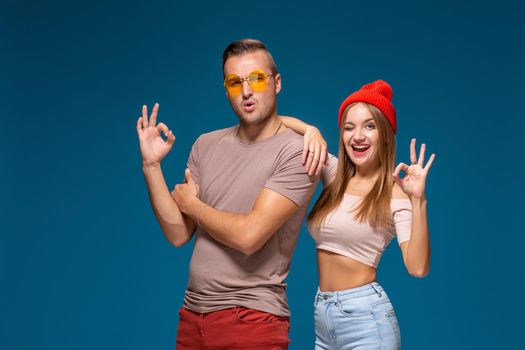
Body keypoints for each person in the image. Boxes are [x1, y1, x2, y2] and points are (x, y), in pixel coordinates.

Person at [136, 39, 326, 350]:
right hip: (192, 316)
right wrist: (151, 165)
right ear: (226, 90)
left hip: (251, 319)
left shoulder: (297, 151)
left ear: (277, 83)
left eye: (257, 79)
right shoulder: (205, 145)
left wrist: (191, 205)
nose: (246, 91)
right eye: (235, 82)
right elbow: (177, 232)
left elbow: (249, 237)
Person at [281, 80, 435, 349]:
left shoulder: (394, 193)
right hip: (323, 319)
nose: (357, 136)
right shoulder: (333, 174)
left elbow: (418, 267)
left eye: (369, 126)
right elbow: (278, 125)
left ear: (384, 134)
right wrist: (311, 130)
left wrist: (418, 200)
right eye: (349, 127)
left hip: (367, 321)